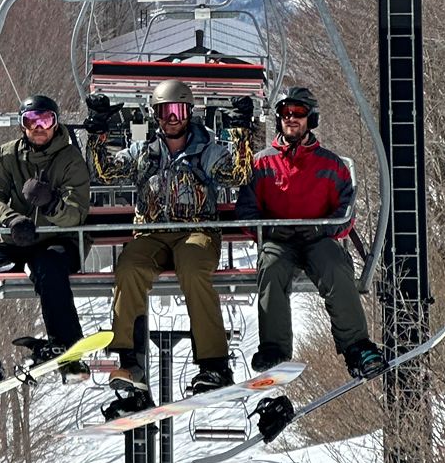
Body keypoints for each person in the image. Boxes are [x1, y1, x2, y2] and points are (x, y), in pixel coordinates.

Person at [101, 77, 243, 413]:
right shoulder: (144, 153)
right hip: (151, 232)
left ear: (189, 112)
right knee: (130, 268)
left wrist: (242, 132)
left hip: (196, 229)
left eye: (178, 110)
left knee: (193, 268)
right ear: (156, 116)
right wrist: (98, 134)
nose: (172, 117)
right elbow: (107, 172)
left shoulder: (207, 151)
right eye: (164, 111)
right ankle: (130, 363)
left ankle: (214, 364)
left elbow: (238, 175)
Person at [0, 93, 91, 396]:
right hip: (16, 239)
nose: (39, 127)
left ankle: (68, 349)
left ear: (55, 123)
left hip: (57, 240)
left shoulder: (70, 160)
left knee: (48, 268)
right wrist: (12, 219)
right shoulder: (8, 154)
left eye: (46, 120)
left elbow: (76, 213)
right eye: (31, 121)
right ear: (21, 125)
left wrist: (51, 204)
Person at [239, 85, 385, 377]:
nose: (291, 119)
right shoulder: (262, 163)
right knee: (271, 266)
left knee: (334, 267)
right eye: (285, 113)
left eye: (298, 113)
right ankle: (275, 349)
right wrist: (267, 232)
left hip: (319, 238)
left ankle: (357, 346)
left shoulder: (331, 165)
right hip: (279, 240)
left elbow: (345, 210)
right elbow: (247, 209)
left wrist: (324, 227)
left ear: (311, 118)